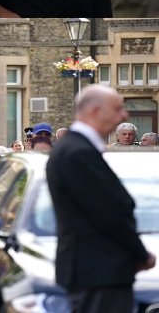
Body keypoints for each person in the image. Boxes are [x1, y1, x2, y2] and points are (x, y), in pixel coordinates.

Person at [48, 85, 156, 312]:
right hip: (97, 271)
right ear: (96, 111)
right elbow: (108, 212)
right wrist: (139, 253)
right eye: (118, 109)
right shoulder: (78, 152)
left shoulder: (78, 149)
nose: (124, 115)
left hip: (97, 270)